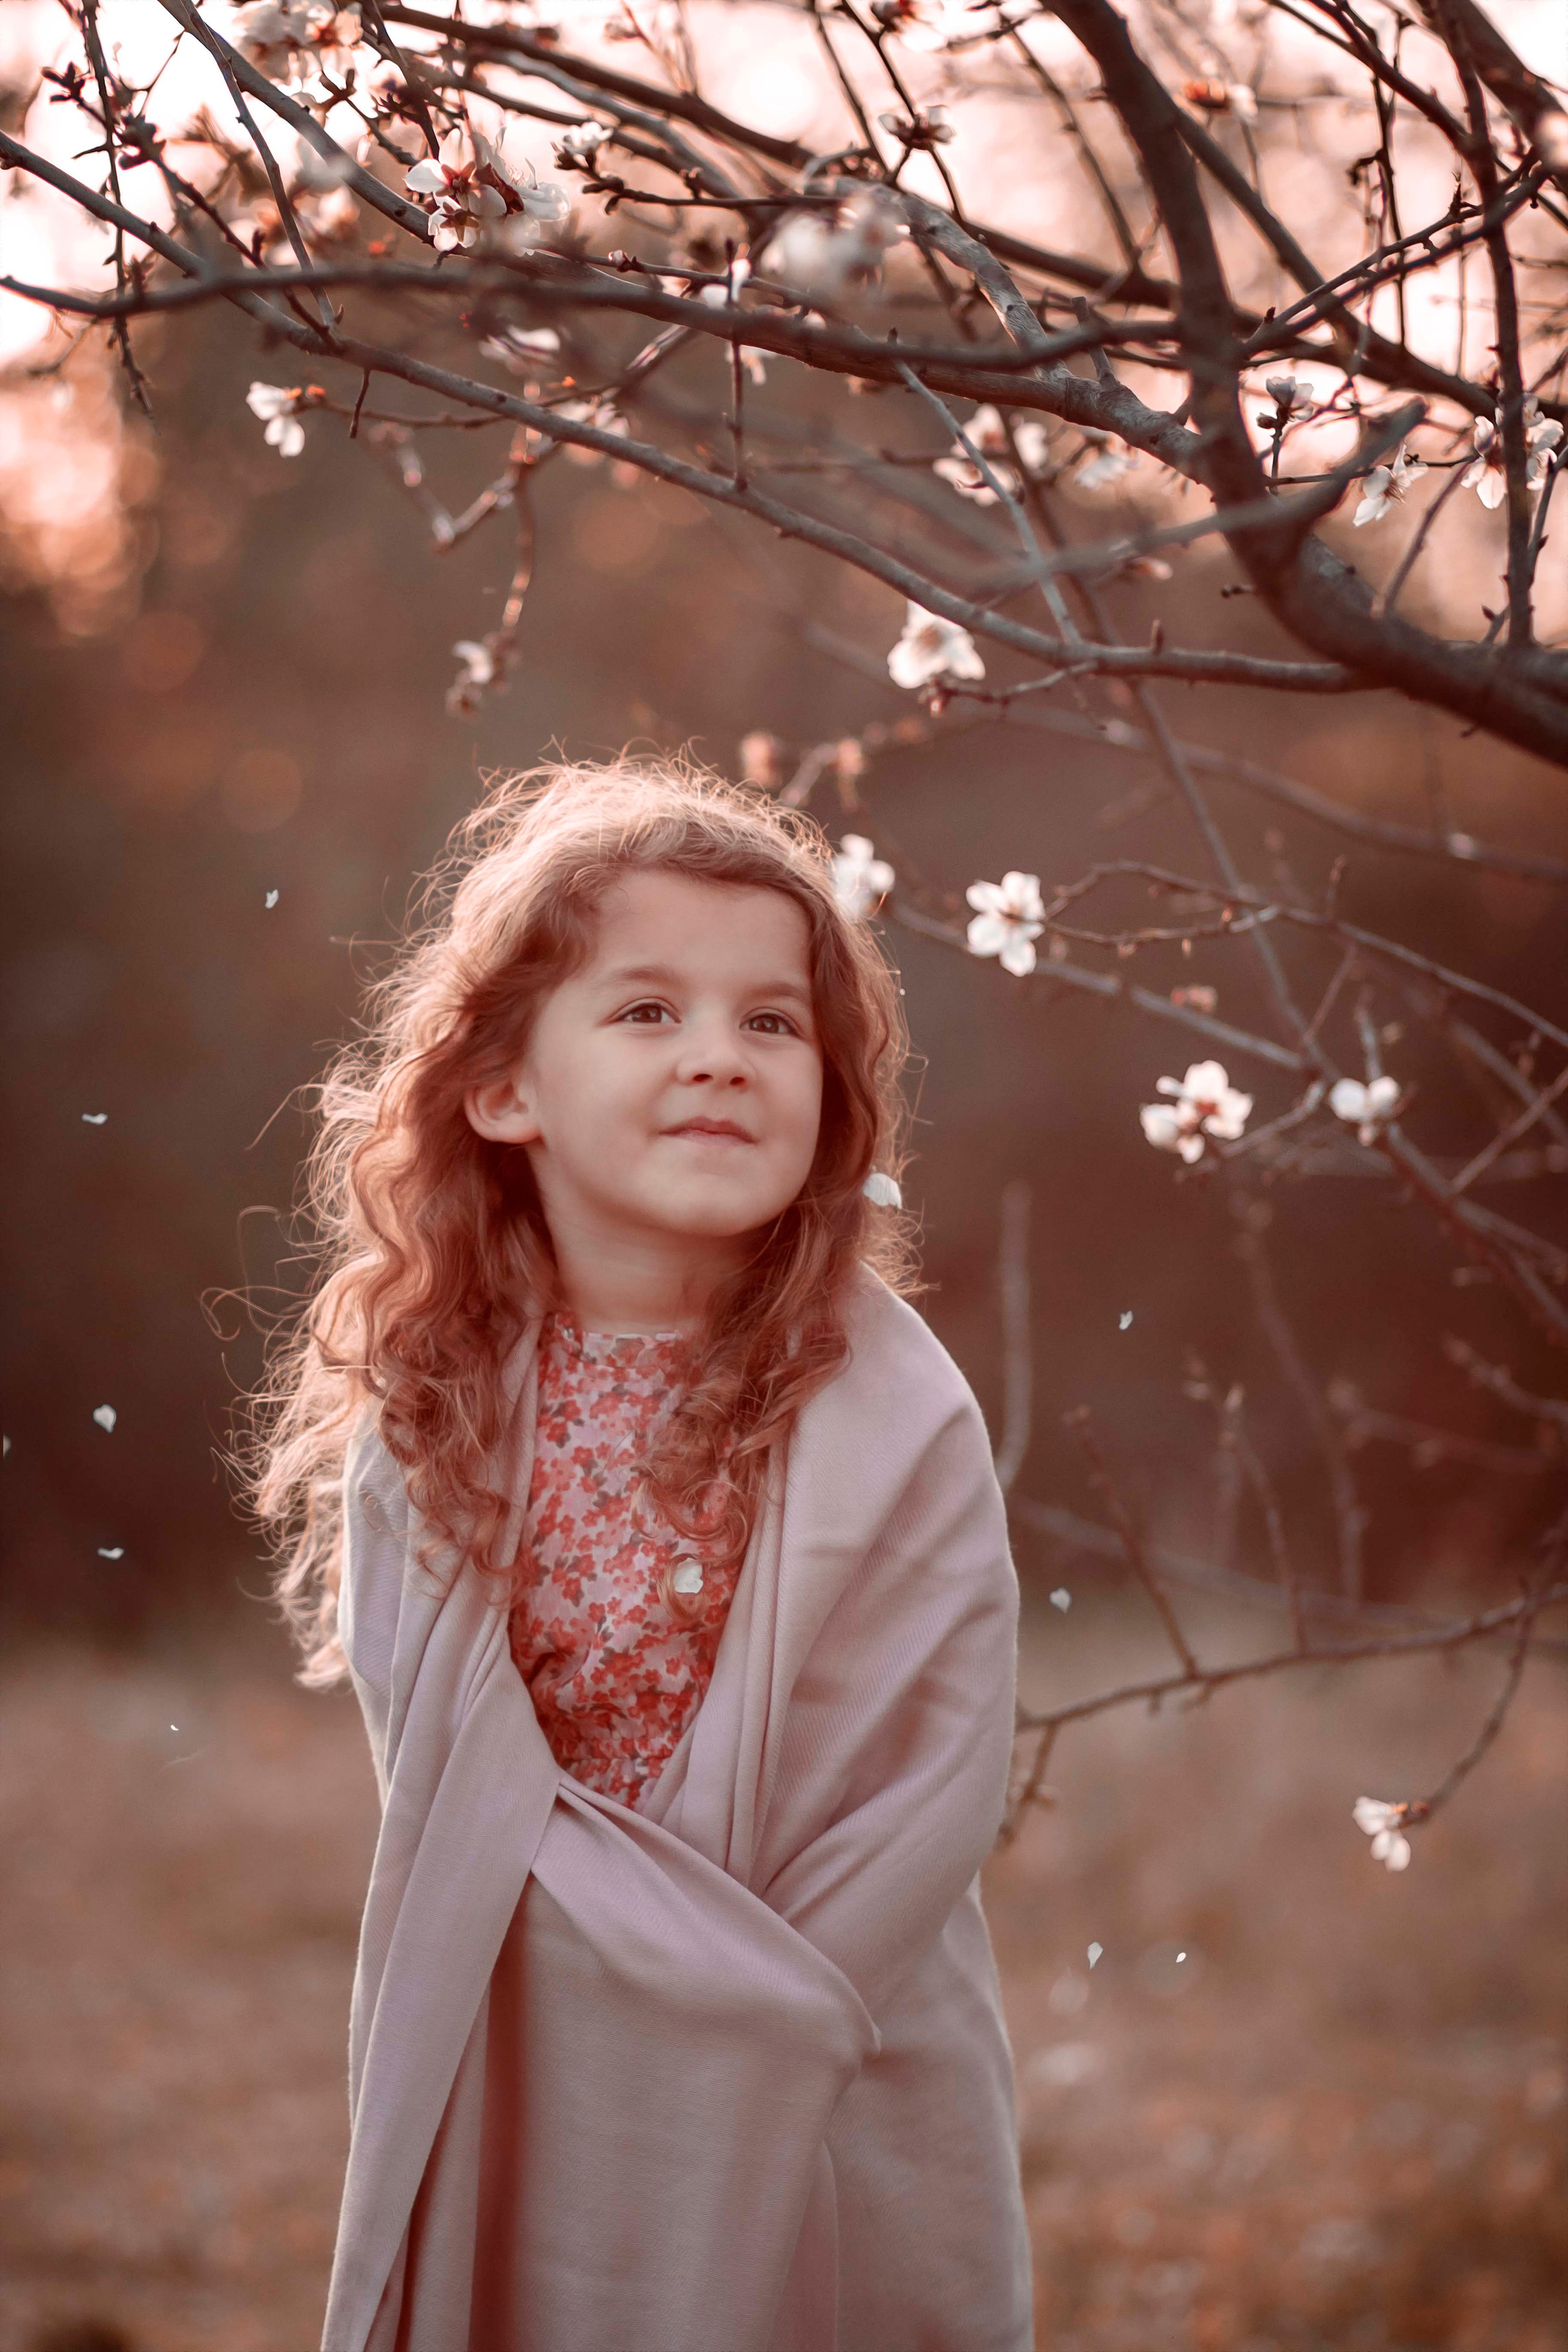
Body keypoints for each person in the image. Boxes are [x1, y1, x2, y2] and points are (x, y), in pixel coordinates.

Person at [244, 757, 1033, 2352]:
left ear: (832, 1098)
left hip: (836, 2048)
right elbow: (462, 1790)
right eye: (647, 1013)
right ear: (503, 1090)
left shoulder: (892, 1413)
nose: (720, 1060)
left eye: (771, 1022)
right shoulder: (434, 1422)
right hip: (542, 2048)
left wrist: (750, 2017)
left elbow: (923, 1780)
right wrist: (627, 2009)